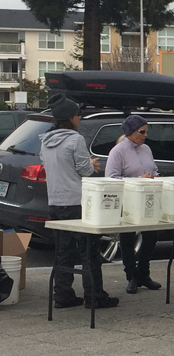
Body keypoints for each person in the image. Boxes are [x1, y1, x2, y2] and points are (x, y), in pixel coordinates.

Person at [41, 95, 119, 309]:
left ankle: (62, 294)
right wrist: (91, 164)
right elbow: (85, 170)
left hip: (55, 201)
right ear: (70, 118)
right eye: (78, 115)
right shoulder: (75, 139)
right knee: (88, 251)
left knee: (63, 251)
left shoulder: (45, 140)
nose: (80, 118)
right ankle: (95, 296)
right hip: (76, 202)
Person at [105, 115, 162, 294]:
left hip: (147, 199)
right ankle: (132, 275)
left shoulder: (146, 149)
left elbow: (153, 168)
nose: (145, 135)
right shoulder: (118, 151)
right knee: (128, 238)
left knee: (151, 235)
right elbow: (111, 178)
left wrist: (154, 176)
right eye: (142, 132)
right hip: (128, 200)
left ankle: (144, 273)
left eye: (146, 131)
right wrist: (138, 179)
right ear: (130, 132)